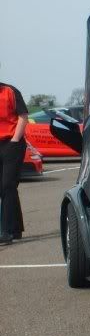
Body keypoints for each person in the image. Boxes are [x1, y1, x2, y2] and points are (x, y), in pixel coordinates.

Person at [0, 81, 28, 245]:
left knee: (7, 185)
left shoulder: (10, 91)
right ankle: (16, 229)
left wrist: (15, 140)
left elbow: (23, 116)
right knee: (5, 188)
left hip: (12, 143)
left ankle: (6, 231)